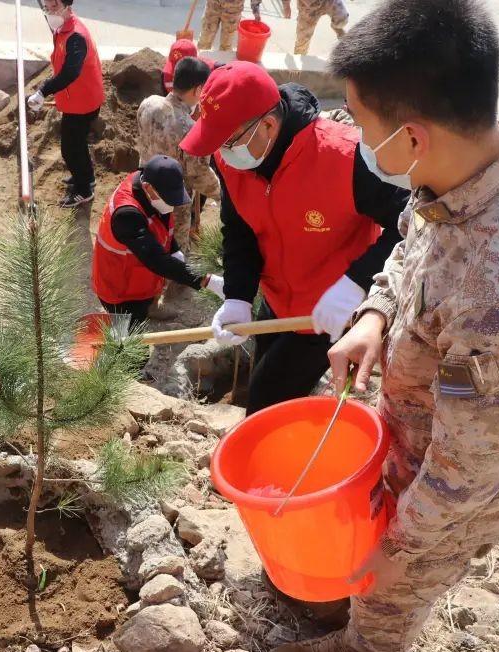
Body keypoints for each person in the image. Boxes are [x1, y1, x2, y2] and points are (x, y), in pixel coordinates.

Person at [266, 0, 499, 652]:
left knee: (388, 598)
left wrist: (394, 553)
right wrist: (377, 316)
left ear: (412, 138)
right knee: (371, 570)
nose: (351, 135)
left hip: (451, 498)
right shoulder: (484, 159)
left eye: (359, 121)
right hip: (421, 441)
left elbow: (462, 482)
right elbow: (420, 241)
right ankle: (358, 609)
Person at [179, 62, 408, 415]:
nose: (221, 154)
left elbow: (407, 226)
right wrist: (238, 295)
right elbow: (238, 229)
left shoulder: (347, 158)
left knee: (266, 402)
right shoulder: (233, 160)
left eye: (227, 142)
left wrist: (356, 285)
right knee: (263, 375)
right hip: (276, 301)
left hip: (329, 312)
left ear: (268, 125)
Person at [92, 155, 224, 328]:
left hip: (140, 280)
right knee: (129, 343)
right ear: (148, 188)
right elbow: (156, 260)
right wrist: (206, 281)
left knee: (144, 307)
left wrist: (173, 249)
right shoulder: (127, 215)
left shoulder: (148, 186)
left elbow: (161, 226)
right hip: (121, 291)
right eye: (169, 200)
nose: (173, 205)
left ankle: (150, 307)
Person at [26, 0, 105, 208]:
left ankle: (84, 189)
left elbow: (70, 72)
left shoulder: (76, 37)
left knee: (70, 148)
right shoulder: (63, 27)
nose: (49, 12)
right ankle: (84, 177)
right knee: (76, 144)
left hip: (83, 102)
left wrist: (43, 91)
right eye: (47, 8)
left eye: (54, 8)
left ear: (67, 7)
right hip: (77, 99)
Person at [138, 56, 221, 251]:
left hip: (144, 183)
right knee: (175, 246)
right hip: (174, 198)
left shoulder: (148, 104)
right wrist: (220, 194)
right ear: (198, 90)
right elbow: (198, 174)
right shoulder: (191, 129)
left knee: (151, 235)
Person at [283, 0, 349, 55]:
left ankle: (337, 27)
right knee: (303, 39)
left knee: (342, 18)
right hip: (308, 7)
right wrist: (286, 6)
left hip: (328, 1)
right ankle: (300, 55)